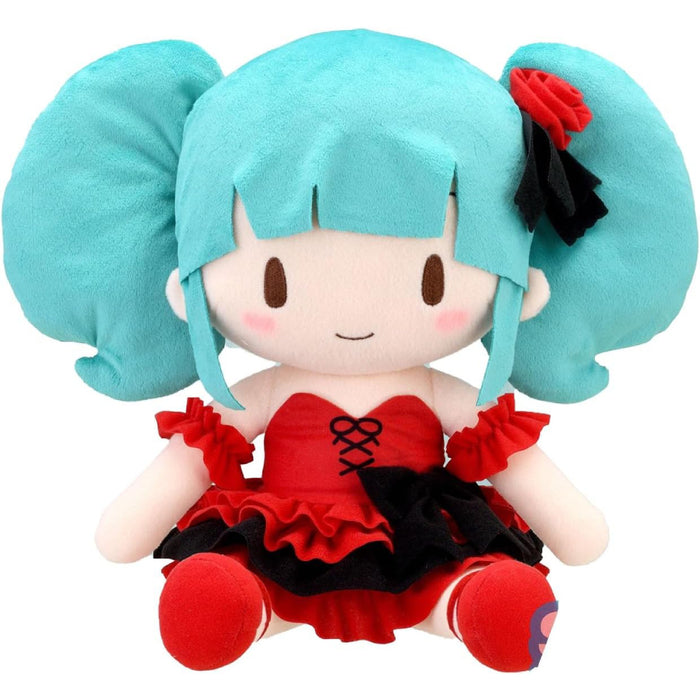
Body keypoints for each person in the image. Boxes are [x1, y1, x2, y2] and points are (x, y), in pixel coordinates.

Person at [3, 29, 695, 673]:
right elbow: (186, 466)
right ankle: (243, 608)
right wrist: (128, 529)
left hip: (413, 531)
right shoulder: (266, 394)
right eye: (273, 281)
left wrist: (574, 530)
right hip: (285, 529)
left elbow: (517, 466)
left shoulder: (441, 395)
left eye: (433, 280)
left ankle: (470, 606)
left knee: (446, 569)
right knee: (245, 570)